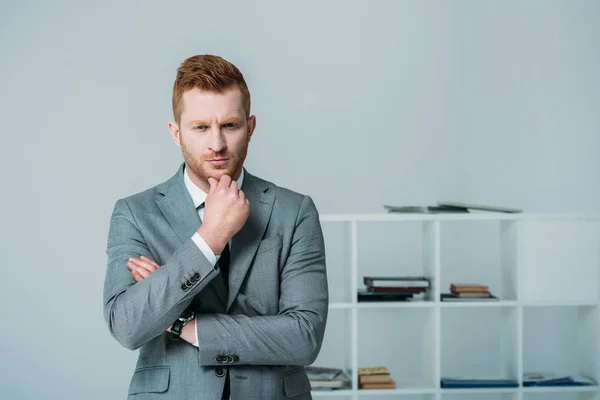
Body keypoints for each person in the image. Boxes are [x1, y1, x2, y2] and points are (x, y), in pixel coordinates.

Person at [103, 54, 329, 399]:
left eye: (230, 125)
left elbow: (304, 337)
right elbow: (127, 325)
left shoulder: (295, 211)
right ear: (176, 133)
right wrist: (210, 239)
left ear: (250, 127)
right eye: (200, 127)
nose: (217, 144)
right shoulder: (135, 213)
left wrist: (183, 324)